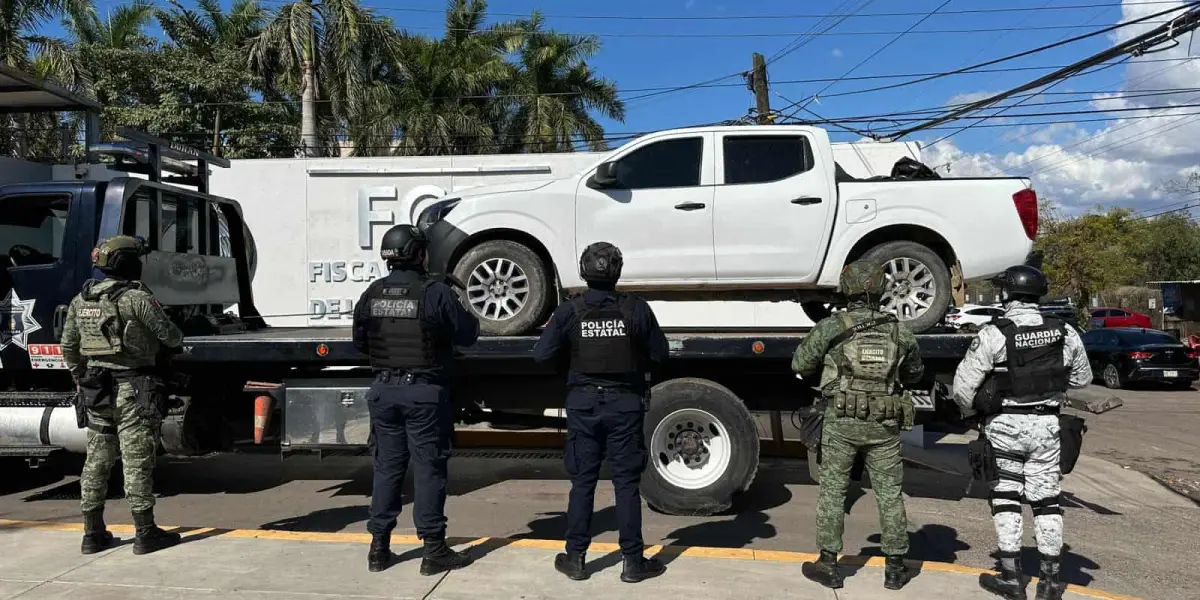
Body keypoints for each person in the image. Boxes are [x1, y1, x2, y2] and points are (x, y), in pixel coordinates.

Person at [952, 265, 1092, 600]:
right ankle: (1050, 581)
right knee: (1047, 502)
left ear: (1006, 295)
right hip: (1047, 426)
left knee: (1006, 498)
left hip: (1005, 426)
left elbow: (962, 388)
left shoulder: (995, 332)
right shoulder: (1065, 332)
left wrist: (973, 413)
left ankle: (1012, 579)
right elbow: (1082, 379)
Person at [533, 241, 669, 584]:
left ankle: (576, 558)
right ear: (618, 271)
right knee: (625, 484)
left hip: (584, 405)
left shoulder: (570, 311)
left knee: (583, 482)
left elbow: (541, 355)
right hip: (625, 404)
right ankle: (633, 562)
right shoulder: (636, 309)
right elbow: (661, 353)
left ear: (583, 270)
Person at [353, 224, 480, 574]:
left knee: (387, 470)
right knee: (428, 469)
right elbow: (469, 335)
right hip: (423, 392)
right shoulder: (435, 292)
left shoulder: (373, 292)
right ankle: (434, 550)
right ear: (419, 254)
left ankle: (378, 549)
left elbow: (360, 342)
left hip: (384, 390)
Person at [791, 260, 924, 591]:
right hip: (884, 424)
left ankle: (828, 564)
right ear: (880, 290)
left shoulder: (832, 327)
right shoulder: (899, 330)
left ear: (846, 290)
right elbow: (914, 374)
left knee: (834, 490)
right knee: (889, 493)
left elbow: (800, 363)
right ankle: (894, 568)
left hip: (842, 423)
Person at [60, 235, 185, 556]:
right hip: (134, 389)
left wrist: (80, 379)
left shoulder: (81, 299)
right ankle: (145, 532)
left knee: (97, 460)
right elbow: (171, 336)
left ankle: (92, 533)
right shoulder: (135, 299)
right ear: (125, 263)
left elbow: (69, 348)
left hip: (96, 387)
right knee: (136, 459)